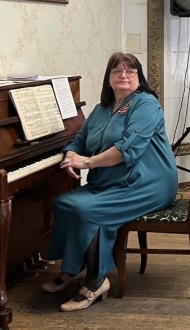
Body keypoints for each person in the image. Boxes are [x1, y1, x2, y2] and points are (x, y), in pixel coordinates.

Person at [43, 52, 178, 312]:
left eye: (130, 71)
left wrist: (86, 163)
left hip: (148, 182)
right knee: (63, 203)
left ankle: (96, 282)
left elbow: (127, 149)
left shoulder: (146, 104)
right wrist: (70, 154)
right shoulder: (101, 110)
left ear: (139, 77)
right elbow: (79, 140)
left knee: (89, 210)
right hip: (110, 181)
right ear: (109, 78)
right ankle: (77, 266)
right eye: (117, 71)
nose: (124, 76)